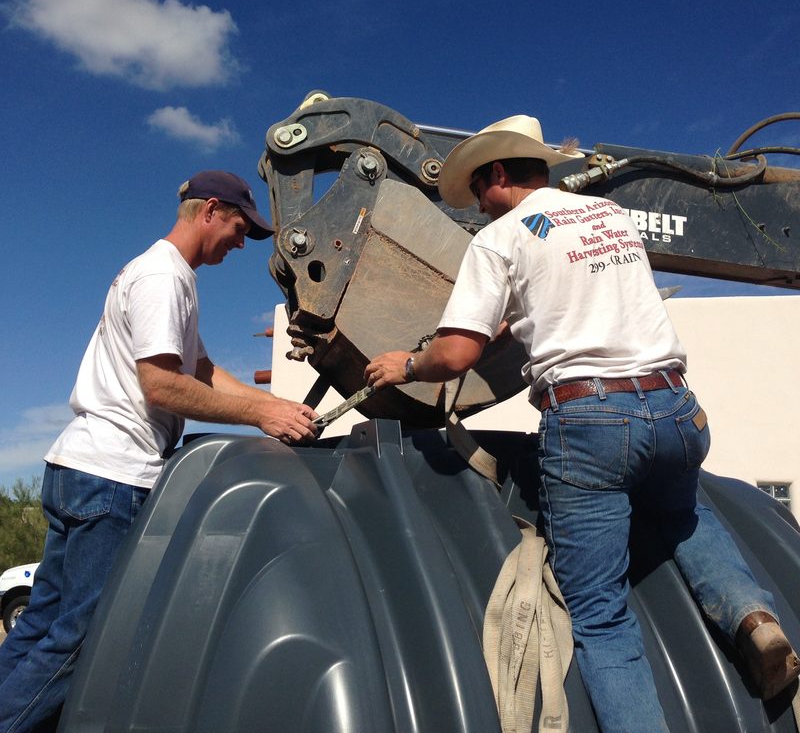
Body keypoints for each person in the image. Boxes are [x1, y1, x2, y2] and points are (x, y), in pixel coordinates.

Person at [365, 117, 800, 731]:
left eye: (478, 193)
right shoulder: (611, 217)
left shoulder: (499, 239)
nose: (478, 210)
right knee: (680, 514)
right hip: (677, 409)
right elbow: (577, 300)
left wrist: (406, 363)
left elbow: (456, 355)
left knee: (600, 616)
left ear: (495, 176)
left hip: (591, 422)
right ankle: (755, 622)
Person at [0, 170, 319, 732]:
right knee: (82, 641)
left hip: (77, 466)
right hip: (112, 475)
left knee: (38, 625)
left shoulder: (163, 274)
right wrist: (261, 414)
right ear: (211, 211)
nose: (241, 244)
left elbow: (199, 372)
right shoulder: (162, 277)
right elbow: (161, 386)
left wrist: (277, 407)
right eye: (240, 229)